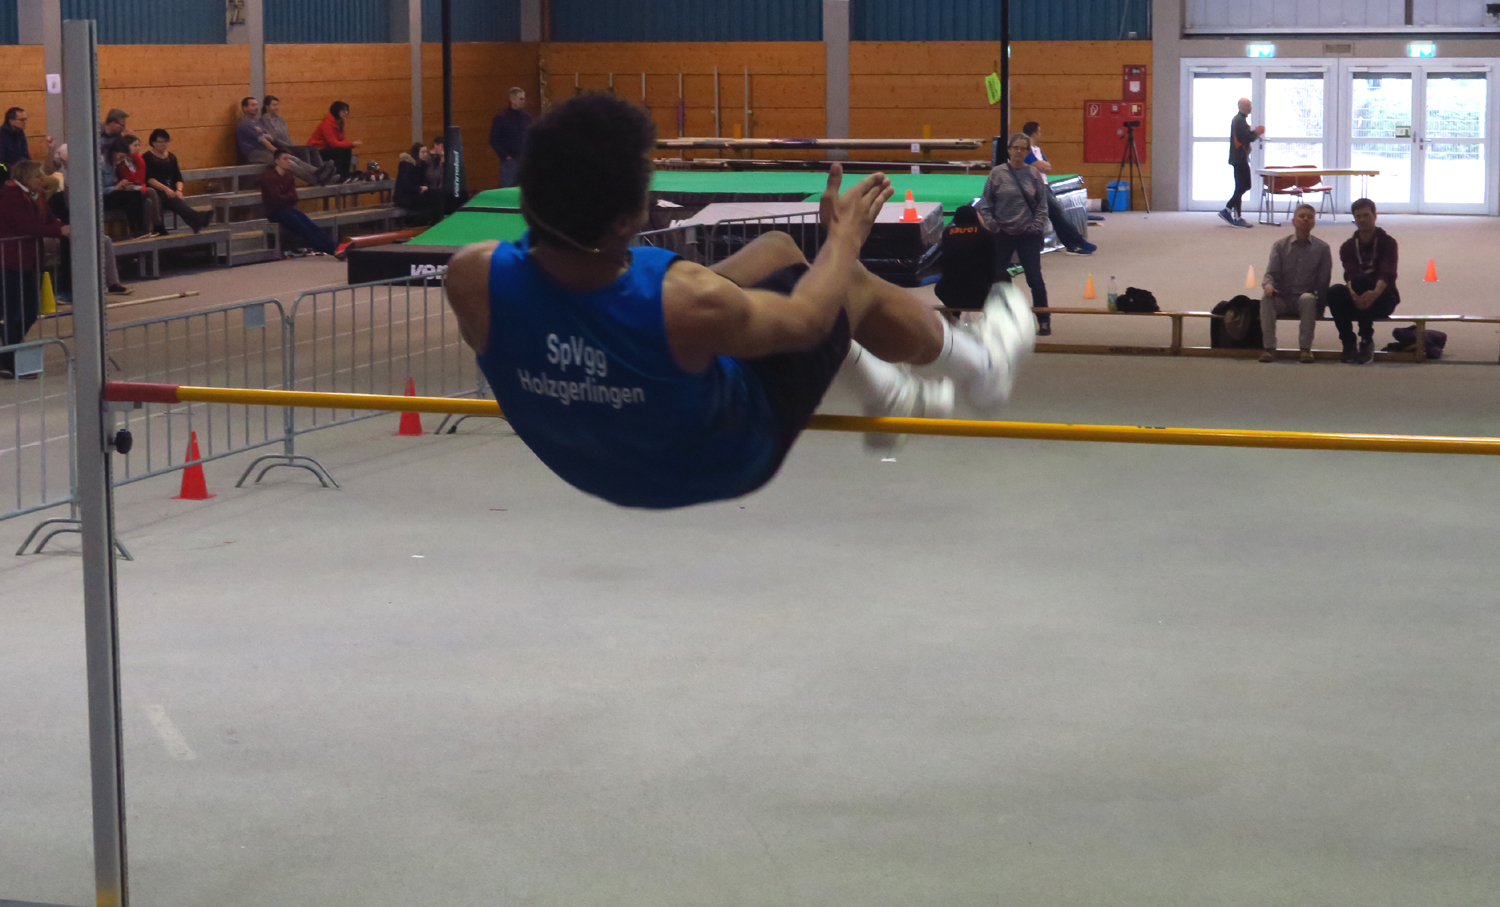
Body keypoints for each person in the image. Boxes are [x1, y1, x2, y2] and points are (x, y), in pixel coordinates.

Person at [442, 93, 1032, 507]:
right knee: (845, 284)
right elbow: (806, 321)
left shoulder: (473, 277)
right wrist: (843, 239)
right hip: (716, 456)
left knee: (777, 250)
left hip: (589, 454)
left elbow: (579, 315)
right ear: (625, 221)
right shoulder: (685, 303)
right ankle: (982, 368)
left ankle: (885, 390)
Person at [0, 160, 70, 378]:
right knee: (14, 311)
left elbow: (49, 219)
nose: (42, 180)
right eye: (38, 176)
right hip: (10, 261)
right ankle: (9, 359)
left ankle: (9, 350)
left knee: (30, 309)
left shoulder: (37, 196)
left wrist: (59, 227)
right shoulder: (10, 197)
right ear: (26, 178)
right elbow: (25, 227)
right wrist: (59, 231)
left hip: (29, 261)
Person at [978, 133, 1052, 335]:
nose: (1019, 152)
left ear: (1027, 152)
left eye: (1023, 148)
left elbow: (1042, 205)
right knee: (998, 278)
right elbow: (986, 203)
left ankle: (1044, 319)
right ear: (1009, 150)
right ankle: (1000, 319)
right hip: (1002, 233)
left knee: (1035, 279)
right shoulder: (997, 173)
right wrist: (993, 225)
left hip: (1028, 234)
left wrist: (1035, 226)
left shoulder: (1034, 174)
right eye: (1015, 148)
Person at [1326, 198, 1399, 365]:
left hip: (1382, 299)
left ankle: (1366, 340)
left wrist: (1374, 294)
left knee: (1362, 281)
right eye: (1358, 216)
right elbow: (1349, 274)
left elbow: (1386, 273)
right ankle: (1348, 342)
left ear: (1375, 216)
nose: (1362, 220)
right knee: (1334, 291)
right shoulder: (1348, 246)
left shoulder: (1388, 243)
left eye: (1366, 215)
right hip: (1357, 298)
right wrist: (1352, 294)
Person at [1258, 203, 1331, 363]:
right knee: (1266, 300)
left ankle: (1305, 349)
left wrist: (1321, 307)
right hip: (1282, 298)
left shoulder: (1323, 249)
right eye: (1301, 216)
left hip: (1304, 300)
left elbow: (1323, 281)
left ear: (1313, 223)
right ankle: (1269, 348)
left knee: (1308, 299)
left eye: (1309, 217)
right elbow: (1271, 273)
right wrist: (1268, 285)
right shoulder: (1279, 246)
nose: (1305, 219)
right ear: (1293, 221)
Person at [1021, 121, 1096, 255]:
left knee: (1057, 216)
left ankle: (1073, 244)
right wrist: (1042, 165)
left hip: (1044, 185)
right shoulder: (1026, 149)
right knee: (1058, 214)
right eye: (1039, 131)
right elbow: (1040, 165)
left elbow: (1047, 166)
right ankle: (1077, 241)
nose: (1041, 134)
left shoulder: (1037, 149)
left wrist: (1042, 165)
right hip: (1036, 186)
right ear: (1035, 133)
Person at [262, 150, 345, 259]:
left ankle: (336, 247)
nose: (289, 161)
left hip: (288, 208)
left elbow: (294, 198)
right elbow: (276, 199)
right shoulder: (269, 177)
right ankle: (333, 249)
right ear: (277, 161)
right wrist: (287, 196)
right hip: (275, 212)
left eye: (290, 158)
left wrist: (286, 197)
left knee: (311, 225)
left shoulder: (288, 176)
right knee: (304, 229)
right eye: (285, 158)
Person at [237, 96, 329, 186]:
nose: (256, 107)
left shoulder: (256, 122)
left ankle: (317, 171)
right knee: (286, 160)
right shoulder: (245, 123)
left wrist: (271, 143)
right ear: (245, 108)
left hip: (265, 150)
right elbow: (264, 140)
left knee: (293, 158)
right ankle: (314, 179)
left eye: (256, 105)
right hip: (255, 153)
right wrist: (276, 151)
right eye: (252, 105)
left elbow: (268, 136)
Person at [141, 129, 211, 234]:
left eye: (166, 141)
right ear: (153, 143)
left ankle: (195, 222)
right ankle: (198, 217)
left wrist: (179, 190)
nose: (164, 144)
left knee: (175, 198)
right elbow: (149, 179)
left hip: (170, 189)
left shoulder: (171, 157)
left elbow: (178, 177)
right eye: (160, 142)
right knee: (171, 199)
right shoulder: (147, 157)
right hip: (155, 189)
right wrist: (166, 188)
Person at [934, 205, 996, 314]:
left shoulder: (948, 233)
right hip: (980, 293)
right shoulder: (986, 234)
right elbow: (992, 263)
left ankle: (954, 314)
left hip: (951, 294)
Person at [259, 95, 336, 182]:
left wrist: (292, 145)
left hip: (288, 144)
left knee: (313, 148)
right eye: (274, 105)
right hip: (280, 146)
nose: (277, 107)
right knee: (303, 150)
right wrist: (290, 146)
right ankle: (311, 177)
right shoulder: (264, 120)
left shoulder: (280, 118)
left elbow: (286, 135)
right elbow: (274, 138)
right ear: (267, 107)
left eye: (277, 105)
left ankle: (321, 172)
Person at [1220, 97, 1263, 228]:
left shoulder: (1241, 120)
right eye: (1247, 105)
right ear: (1241, 106)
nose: (1250, 107)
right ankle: (1227, 209)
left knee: (1240, 187)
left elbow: (1245, 136)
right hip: (1239, 159)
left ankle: (1237, 217)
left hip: (1240, 158)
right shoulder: (1238, 120)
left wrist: (1253, 133)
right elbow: (1245, 137)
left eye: (1250, 105)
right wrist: (1257, 133)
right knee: (1245, 186)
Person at [110, 135, 166, 236]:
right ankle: (158, 224)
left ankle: (145, 231)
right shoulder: (121, 162)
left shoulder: (137, 160)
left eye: (139, 145)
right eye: (135, 145)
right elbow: (133, 179)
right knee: (151, 192)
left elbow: (140, 179)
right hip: (125, 191)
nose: (138, 148)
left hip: (136, 189)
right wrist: (138, 159)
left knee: (148, 202)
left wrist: (138, 159)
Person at [489, 87, 531, 188]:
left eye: (524, 98)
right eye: (521, 99)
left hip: (524, 159)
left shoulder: (526, 117)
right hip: (510, 161)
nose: (524, 101)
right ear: (513, 100)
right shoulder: (501, 118)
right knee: (507, 187)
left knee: (524, 187)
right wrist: (505, 155)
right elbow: (494, 139)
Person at [307, 101, 360, 178]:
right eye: (343, 110)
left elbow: (342, 141)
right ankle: (338, 176)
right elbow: (333, 143)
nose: (346, 112)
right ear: (336, 111)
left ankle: (345, 175)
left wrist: (350, 145)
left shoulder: (340, 124)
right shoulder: (327, 124)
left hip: (326, 149)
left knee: (346, 150)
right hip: (316, 151)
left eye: (346, 110)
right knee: (339, 151)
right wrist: (351, 144)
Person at [393, 142, 441, 223]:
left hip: (415, 194)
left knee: (437, 195)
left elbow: (430, 178)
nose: (425, 154)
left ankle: (434, 221)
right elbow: (405, 186)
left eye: (426, 152)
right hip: (404, 197)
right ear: (416, 153)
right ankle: (432, 222)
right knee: (433, 200)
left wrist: (425, 188)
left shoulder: (421, 165)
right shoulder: (407, 166)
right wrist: (419, 189)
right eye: (423, 152)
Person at [1, 107, 56, 174]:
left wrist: (30, 170)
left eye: (26, 119)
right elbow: (2, 162)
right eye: (22, 120)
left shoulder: (20, 134)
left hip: (22, 173)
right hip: (9, 174)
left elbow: (26, 155)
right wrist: (12, 173)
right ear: (11, 121)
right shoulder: (2, 135)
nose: (25, 122)